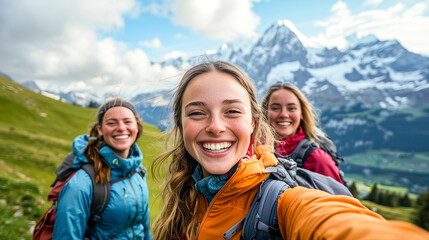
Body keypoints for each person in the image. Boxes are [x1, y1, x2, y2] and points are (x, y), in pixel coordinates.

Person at [150, 60, 429, 240]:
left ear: (253, 122)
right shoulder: (185, 190)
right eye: (197, 113)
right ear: (180, 123)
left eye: (232, 110)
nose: (215, 126)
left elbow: (332, 218)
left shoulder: (281, 201)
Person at [52, 98, 152, 239]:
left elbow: (143, 226)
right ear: (100, 129)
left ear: (137, 126)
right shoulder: (81, 183)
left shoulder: (137, 171)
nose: (121, 128)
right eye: (111, 123)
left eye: (128, 121)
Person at [261, 81, 344, 183]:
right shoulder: (254, 149)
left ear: (302, 113)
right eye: (275, 108)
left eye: (291, 108)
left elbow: (338, 198)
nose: (284, 114)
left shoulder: (317, 159)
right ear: (265, 112)